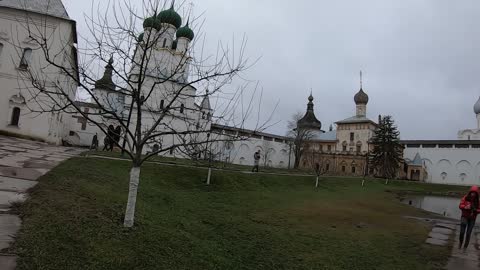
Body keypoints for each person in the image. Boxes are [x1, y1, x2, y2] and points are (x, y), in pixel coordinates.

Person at [458, 185, 480, 250]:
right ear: (470, 192)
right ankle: (460, 243)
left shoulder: (478, 201)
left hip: (472, 218)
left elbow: (479, 210)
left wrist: (476, 210)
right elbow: (460, 205)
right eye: (472, 192)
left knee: (468, 233)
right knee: (462, 232)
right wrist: (465, 207)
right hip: (464, 216)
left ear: (477, 194)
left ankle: (465, 246)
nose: (473, 194)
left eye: (474, 193)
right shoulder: (465, 198)